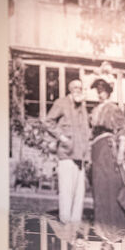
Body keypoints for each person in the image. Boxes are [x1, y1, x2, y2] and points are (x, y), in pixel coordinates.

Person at [89, 78, 125, 229]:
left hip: (107, 148)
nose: (100, 94)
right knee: (98, 186)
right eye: (98, 91)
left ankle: (117, 222)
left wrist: (121, 152)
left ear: (108, 92)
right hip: (96, 149)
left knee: (110, 185)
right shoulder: (95, 110)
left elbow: (122, 129)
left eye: (102, 91)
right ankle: (101, 223)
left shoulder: (113, 108)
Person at [43, 78, 90, 223]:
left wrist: (87, 155)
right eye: (75, 87)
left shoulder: (82, 107)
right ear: (70, 89)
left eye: (80, 88)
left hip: (80, 156)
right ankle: (64, 224)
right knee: (66, 192)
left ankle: (74, 226)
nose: (78, 90)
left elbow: (86, 131)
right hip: (66, 154)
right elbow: (47, 121)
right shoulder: (61, 103)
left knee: (79, 195)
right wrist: (61, 137)